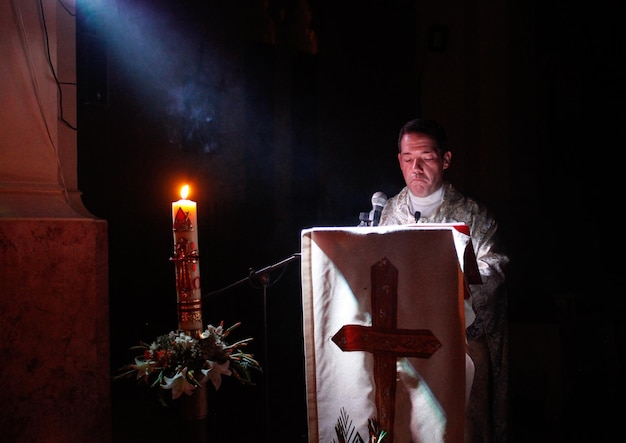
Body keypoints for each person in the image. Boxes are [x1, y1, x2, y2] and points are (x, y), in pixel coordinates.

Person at [379, 118, 509, 443]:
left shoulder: (474, 215)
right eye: (408, 159)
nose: (416, 168)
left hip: (459, 345)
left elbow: (493, 267)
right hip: (404, 347)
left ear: (446, 159)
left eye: (426, 157)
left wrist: (450, 292)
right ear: (399, 160)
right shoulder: (389, 214)